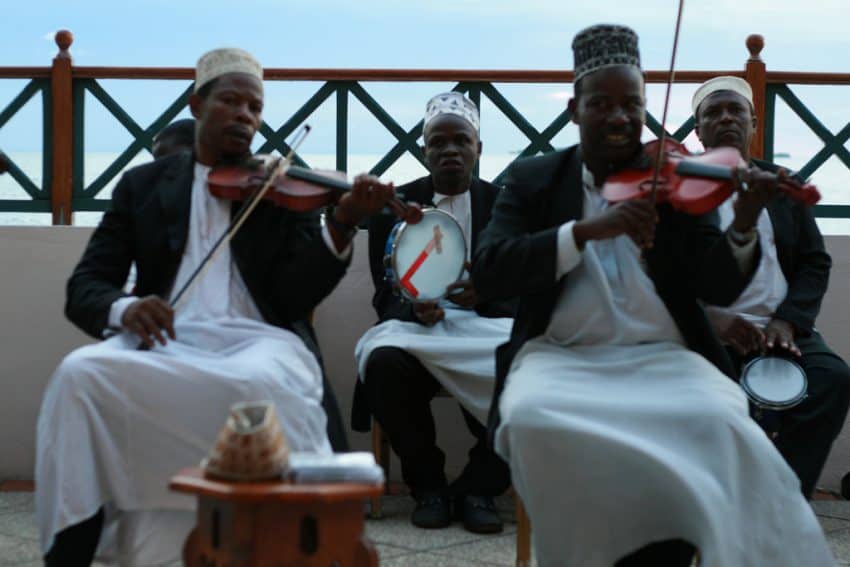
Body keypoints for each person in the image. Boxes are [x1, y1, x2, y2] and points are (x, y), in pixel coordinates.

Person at [471, 24, 834, 566]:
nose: (620, 118)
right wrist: (586, 231)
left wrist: (745, 220)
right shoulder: (535, 179)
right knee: (529, 416)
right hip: (561, 357)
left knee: (726, 425)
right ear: (575, 109)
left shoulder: (670, 179)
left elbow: (718, 284)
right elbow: (491, 272)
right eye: (603, 104)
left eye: (632, 104)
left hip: (666, 357)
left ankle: (679, 546)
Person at [36, 47, 395, 566]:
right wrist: (124, 310)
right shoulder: (143, 185)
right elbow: (88, 283)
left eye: (255, 107)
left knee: (257, 386)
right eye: (232, 101)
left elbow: (294, 296)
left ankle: (286, 534)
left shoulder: (275, 184)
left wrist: (340, 224)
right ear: (196, 104)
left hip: (259, 339)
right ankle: (74, 545)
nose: (245, 116)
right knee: (80, 375)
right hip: (164, 342)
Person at [352, 92, 513, 533]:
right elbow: (384, 294)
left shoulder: (504, 204)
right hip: (418, 331)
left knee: (525, 365)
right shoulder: (397, 206)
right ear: (424, 150)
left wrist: (484, 294)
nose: (449, 151)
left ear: (478, 147)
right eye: (437, 143)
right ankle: (429, 486)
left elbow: (522, 288)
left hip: (486, 326)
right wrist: (410, 306)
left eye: (460, 141)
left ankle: (479, 487)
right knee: (383, 364)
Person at [694, 75, 850, 498]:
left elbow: (815, 262)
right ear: (697, 130)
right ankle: (712, 499)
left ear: (753, 125)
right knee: (706, 396)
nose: (726, 118)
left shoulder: (782, 183)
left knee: (832, 379)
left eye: (736, 111)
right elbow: (655, 273)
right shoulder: (676, 191)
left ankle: (782, 498)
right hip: (702, 329)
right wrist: (712, 319)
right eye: (713, 112)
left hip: (778, 328)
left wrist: (788, 321)